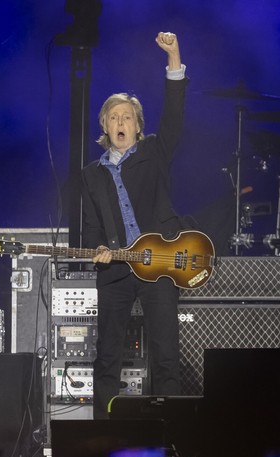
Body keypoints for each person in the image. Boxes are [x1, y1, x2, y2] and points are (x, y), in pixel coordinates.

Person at [81, 31, 187, 419]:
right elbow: (91, 226)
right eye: (113, 117)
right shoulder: (91, 174)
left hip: (158, 266)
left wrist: (173, 59)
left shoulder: (155, 152)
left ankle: (173, 436)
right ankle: (101, 434)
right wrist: (97, 250)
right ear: (105, 127)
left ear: (138, 126)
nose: (120, 122)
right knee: (106, 357)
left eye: (127, 116)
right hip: (115, 272)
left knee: (165, 359)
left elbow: (174, 117)